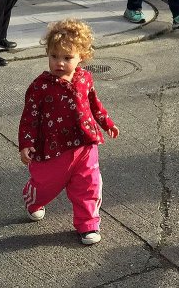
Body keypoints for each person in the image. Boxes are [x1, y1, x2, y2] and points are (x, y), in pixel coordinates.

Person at [19, 19, 119, 246]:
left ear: (81, 57)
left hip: (85, 143)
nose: (59, 63)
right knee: (45, 185)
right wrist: (26, 143)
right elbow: (29, 117)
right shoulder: (40, 86)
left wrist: (107, 122)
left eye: (67, 58)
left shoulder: (84, 79)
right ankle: (33, 198)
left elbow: (94, 104)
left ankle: (88, 224)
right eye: (54, 56)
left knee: (88, 184)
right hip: (53, 149)